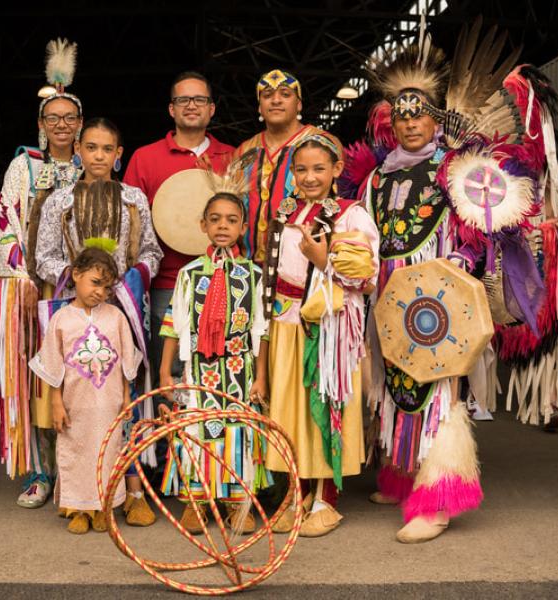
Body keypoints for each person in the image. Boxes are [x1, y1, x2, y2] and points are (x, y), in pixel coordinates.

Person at [345, 21, 551, 542]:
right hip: (387, 293)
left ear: (434, 118)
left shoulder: (457, 166)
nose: (411, 125)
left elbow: (486, 226)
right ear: (392, 122)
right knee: (395, 384)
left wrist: (461, 258)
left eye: (420, 116)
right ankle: (403, 474)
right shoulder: (379, 175)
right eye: (402, 117)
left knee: (439, 385)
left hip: (440, 292)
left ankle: (439, 496)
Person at [35, 117, 163, 527]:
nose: (98, 155)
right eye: (90, 147)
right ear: (78, 150)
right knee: (79, 407)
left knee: (127, 401)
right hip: (75, 314)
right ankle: (80, 495)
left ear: (118, 154)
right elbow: (43, 256)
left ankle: (133, 490)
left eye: (107, 149)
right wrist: (79, 277)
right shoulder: (59, 202)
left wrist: (132, 276)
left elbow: (151, 251)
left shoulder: (134, 199)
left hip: (122, 309)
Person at [0, 38, 84, 509]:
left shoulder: (93, 165)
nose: (61, 124)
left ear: (80, 124)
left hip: (84, 289)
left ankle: (77, 471)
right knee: (39, 376)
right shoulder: (24, 164)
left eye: (70, 118)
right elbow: (6, 218)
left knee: (81, 376)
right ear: (41, 125)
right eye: (53, 118)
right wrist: (17, 278)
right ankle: (41, 472)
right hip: (33, 286)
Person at [263, 134, 378, 537]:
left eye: (318, 169)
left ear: (336, 171)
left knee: (325, 407)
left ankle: (327, 498)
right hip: (286, 322)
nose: (309, 177)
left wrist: (322, 259)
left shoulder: (351, 214)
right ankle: (296, 494)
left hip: (329, 330)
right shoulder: (285, 211)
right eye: (301, 169)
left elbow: (365, 276)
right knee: (291, 411)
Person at [159, 187, 271, 535]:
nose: (223, 226)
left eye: (232, 220)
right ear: (203, 224)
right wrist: (165, 370)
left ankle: (238, 500)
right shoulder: (189, 274)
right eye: (215, 219)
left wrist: (261, 376)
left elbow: (261, 330)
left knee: (237, 431)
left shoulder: (253, 275)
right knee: (197, 427)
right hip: (199, 370)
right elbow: (173, 322)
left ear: (243, 227)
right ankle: (198, 500)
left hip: (239, 370)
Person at [124, 71, 234, 384]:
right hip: (165, 283)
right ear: (171, 109)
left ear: (212, 108)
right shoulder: (145, 158)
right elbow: (131, 226)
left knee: (217, 370)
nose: (191, 105)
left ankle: (210, 433)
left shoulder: (233, 157)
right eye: (183, 99)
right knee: (168, 376)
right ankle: (169, 434)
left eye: (199, 99)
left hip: (222, 281)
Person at [29, 247, 141, 534]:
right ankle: (78, 508)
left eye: (106, 287)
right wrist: (56, 403)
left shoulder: (115, 317)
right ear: (76, 275)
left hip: (109, 403)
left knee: (108, 451)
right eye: (95, 282)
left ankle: (103, 507)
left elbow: (127, 359)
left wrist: (127, 396)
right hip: (75, 404)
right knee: (75, 450)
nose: (100, 292)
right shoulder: (61, 320)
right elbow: (54, 367)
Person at [235, 69, 333, 264]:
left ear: (299, 105)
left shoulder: (324, 144)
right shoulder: (244, 151)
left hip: (303, 266)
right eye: (267, 95)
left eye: (285, 94)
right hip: (248, 267)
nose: (276, 100)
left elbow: (337, 205)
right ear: (259, 107)